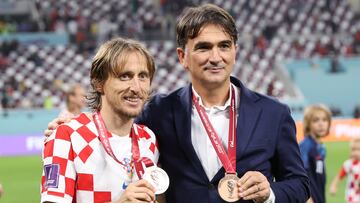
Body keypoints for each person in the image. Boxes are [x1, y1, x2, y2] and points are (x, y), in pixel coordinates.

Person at [46, 4, 310, 203]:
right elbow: (111, 124)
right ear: (183, 56)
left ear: (235, 52)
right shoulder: (157, 113)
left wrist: (270, 193)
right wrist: (67, 128)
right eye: (204, 47)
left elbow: (300, 183)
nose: (215, 57)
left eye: (224, 46)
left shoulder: (273, 113)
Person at [41, 38, 161, 203]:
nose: (136, 87)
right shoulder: (67, 136)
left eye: (143, 76)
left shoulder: (148, 139)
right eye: (125, 76)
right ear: (98, 83)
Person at [299, 104, 332, 203]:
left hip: (319, 196)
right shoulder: (306, 146)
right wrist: (307, 199)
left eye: (324, 120)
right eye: (316, 120)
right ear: (308, 124)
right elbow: (299, 175)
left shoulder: (321, 147)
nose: (321, 124)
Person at [330, 138, 360, 203]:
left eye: (358, 150)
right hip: (352, 195)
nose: (355, 152)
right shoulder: (348, 164)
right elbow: (339, 176)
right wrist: (334, 186)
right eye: (353, 150)